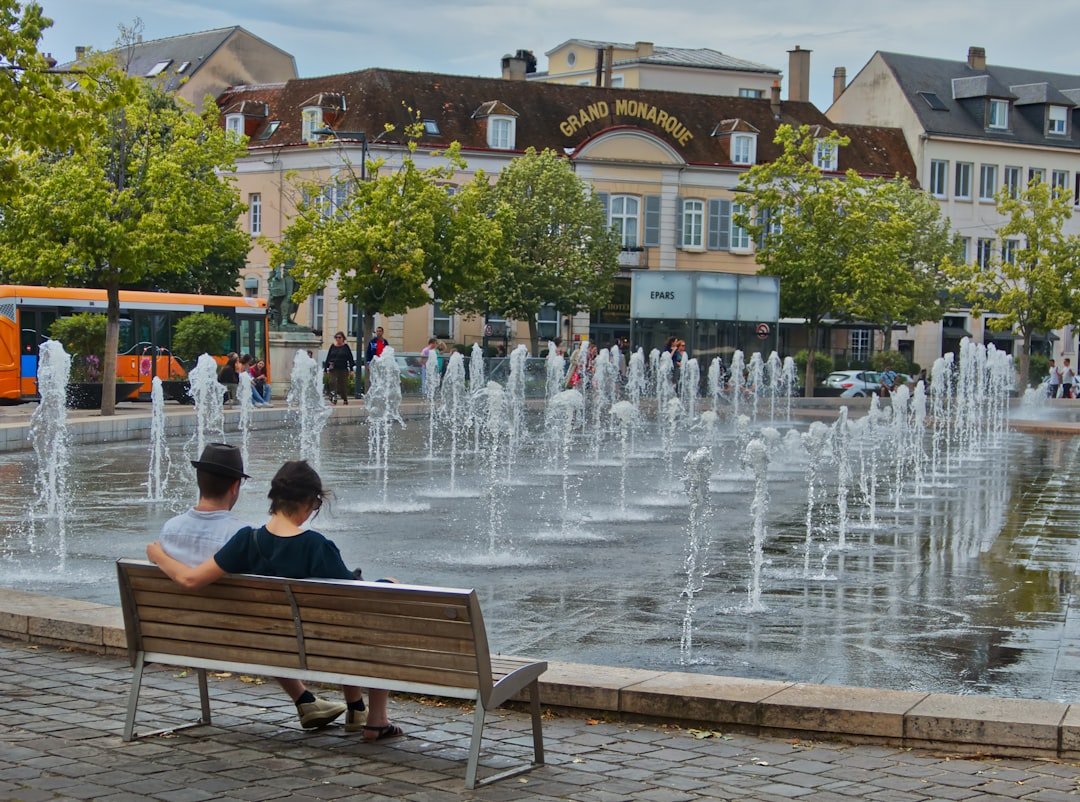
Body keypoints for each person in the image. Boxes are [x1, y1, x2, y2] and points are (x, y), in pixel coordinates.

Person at [147, 460, 400, 741]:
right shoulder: (318, 547)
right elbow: (355, 601)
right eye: (315, 506)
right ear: (307, 502)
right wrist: (388, 585)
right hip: (324, 646)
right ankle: (376, 720)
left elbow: (190, 580)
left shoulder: (246, 540)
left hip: (269, 643)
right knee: (381, 605)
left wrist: (158, 556)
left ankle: (356, 709)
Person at [156, 445, 346, 730]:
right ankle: (320, 702)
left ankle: (305, 699)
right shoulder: (239, 535)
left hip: (182, 633)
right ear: (235, 486)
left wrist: (156, 554)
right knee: (264, 623)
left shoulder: (169, 530)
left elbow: (190, 580)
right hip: (247, 637)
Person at [323, 331, 355, 406]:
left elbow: (350, 358)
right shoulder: (332, 346)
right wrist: (325, 369)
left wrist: (351, 369)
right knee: (332, 382)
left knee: (342, 385)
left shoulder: (346, 347)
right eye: (336, 337)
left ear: (343, 338)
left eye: (339, 337)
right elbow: (328, 357)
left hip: (343, 368)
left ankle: (345, 398)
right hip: (333, 368)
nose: (338, 339)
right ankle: (333, 398)